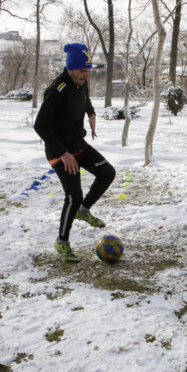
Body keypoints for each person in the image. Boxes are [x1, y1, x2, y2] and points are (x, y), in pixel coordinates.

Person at [34, 43, 116, 263]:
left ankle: (84, 210)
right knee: (73, 195)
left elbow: (85, 100)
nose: (86, 75)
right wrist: (63, 154)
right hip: (59, 152)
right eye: (82, 71)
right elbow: (40, 126)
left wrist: (91, 113)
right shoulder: (56, 90)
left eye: (88, 71)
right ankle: (62, 243)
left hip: (78, 145)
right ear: (70, 68)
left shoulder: (81, 84)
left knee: (107, 172)